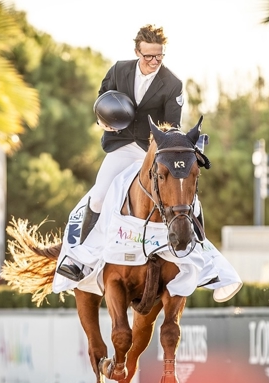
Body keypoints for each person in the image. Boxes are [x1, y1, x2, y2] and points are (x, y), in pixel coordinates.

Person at [57, 24, 184, 280]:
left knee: (182, 197)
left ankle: (199, 260)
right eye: (148, 56)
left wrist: (156, 144)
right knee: (99, 197)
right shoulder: (118, 70)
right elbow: (102, 100)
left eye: (159, 55)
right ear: (137, 51)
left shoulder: (173, 84)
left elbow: (173, 126)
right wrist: (102, 121)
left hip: (151, 152)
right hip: (121, 146)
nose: (154, 61)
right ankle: (80, 260)